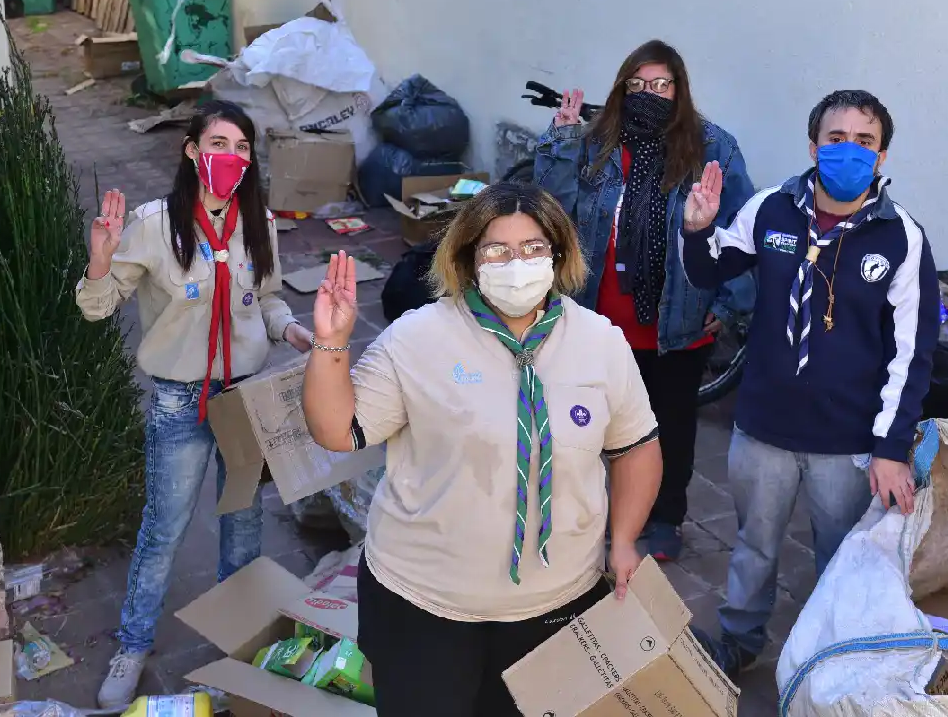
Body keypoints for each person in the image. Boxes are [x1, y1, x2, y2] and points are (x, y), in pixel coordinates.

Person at [303, 182, 662, 717]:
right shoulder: (417, 338)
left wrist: (626, 539)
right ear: (468, 258)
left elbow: (636, 448)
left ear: (559, 256)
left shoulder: (600, 342)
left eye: (534, 248)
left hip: (555, 607)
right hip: (422, 606)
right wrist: (331, 342)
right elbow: (337, 431)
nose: (517, 264)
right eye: (497, 250)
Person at [680, 89, 940, 677]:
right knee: (753, 545)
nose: (849, 150)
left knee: (841, 560)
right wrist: (697, 230)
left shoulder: (901, 238)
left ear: (882, 155)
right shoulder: (772, 209)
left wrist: (891, 447)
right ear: (814, 145)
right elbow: (709, 270)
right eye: (836, 138)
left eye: (865, 141)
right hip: (764, 426)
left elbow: (913, 353)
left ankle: (827, 664)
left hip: (847, 441)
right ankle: (739, 641)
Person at [75, 100, 313, 709]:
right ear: (190, 150)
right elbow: (97, 308)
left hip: (244, 400)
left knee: (243, 526)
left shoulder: (256, 220)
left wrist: (292, 332)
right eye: (217, 144)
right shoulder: (155, 225)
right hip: (180, 403)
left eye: (240, 148)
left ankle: (245, 641)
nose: (229, 157)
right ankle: (132, 645)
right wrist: (101, 259)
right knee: (164, 529)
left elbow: (269, 298)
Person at [534, 40, 756, 562]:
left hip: (676, 321)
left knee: (669, 425)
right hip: (598, 314)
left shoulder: (712, 148)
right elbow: (551, 209)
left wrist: (727, 307)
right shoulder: (596, 142)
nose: (648, 95)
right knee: (588, 420)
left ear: (679, 90)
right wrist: (562, 141)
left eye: (660, 85)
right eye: (636, 86)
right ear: (620, 90)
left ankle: (663, 520)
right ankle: (590, 512)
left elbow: (741, 229)